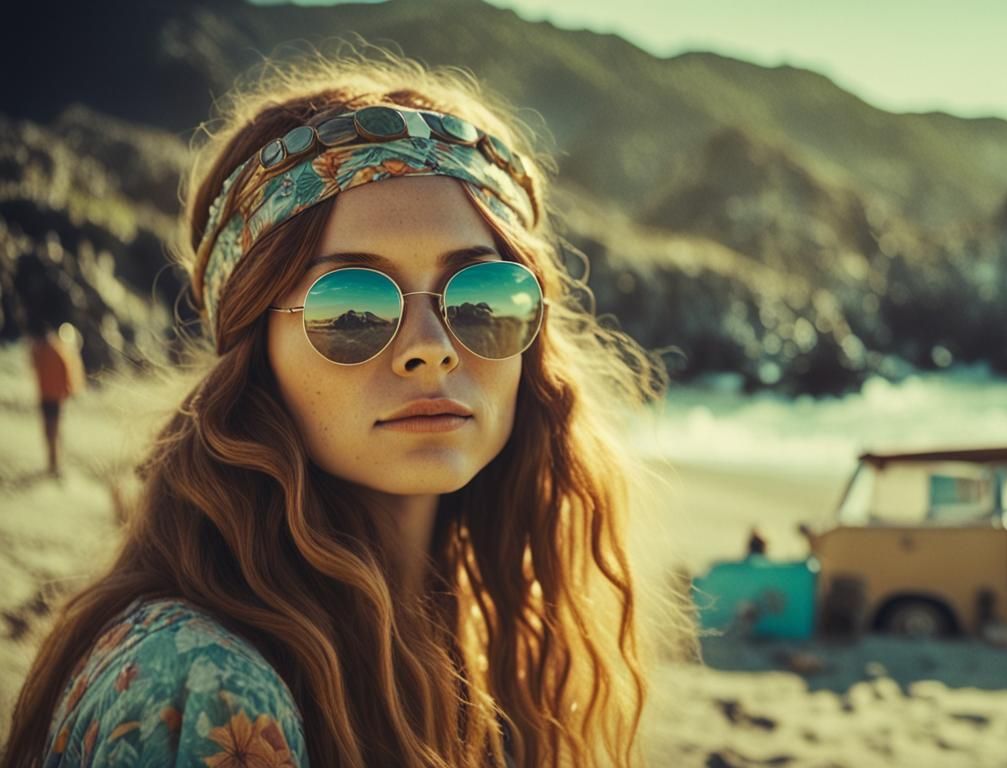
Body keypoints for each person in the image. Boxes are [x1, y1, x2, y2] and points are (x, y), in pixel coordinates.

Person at [1, 46, 693, 768]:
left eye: (482, 297)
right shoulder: (207, 683)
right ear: (256, 354)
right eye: (354, 305)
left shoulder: (477, 657)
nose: (432, 348)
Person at [27, 320, 86, 477]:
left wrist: (69, 390)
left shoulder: (50, 350)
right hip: (49, 396)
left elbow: (65, 371)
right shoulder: (47, 349)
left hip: (51, 397)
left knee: (52, 431)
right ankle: (54, 463)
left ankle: (56, 464)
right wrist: (70, 390)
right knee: (51, 431)